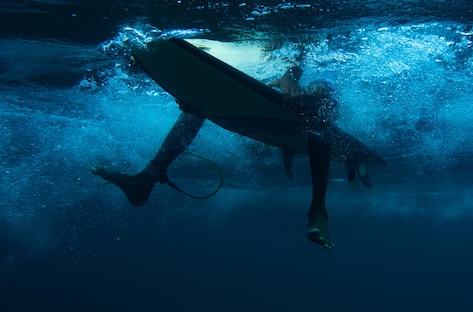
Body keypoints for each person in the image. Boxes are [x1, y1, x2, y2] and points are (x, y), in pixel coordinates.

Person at [92, 65, 339, 250]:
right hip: (273, 99)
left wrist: (291, 76)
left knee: (321, 104)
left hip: (323, 85)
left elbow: (300, 53)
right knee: (198, 103)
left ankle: (318, 210)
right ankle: (147, 178)